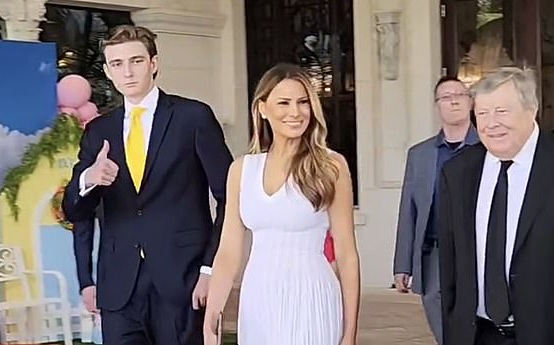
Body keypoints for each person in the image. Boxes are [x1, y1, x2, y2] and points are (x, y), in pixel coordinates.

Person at [62, 25, 233, 345]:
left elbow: (229, 197)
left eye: (136, 61)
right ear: (107, 71)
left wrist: (211, 270)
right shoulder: (98, 131)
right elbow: (75, 210)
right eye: (117, 64)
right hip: (119, 287)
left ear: (153, 63)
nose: (127, 72)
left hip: (183, 281)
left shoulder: (192, 117)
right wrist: (89, 179)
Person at [438, 66, 554, 345]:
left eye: (502, 111)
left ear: (531, 110)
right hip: (477, 336)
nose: (491, 123)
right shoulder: (458, 172)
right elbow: (450, 265)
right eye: (482, 113)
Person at [202, 63, 360, 345]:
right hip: (258, 299)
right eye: (284, 103)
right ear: (262, 108)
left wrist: (349, 334)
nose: (295, 112)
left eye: (303, 103)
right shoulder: (241, 170)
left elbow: (347, 254)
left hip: (313, 297)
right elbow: (228, 252)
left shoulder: (331, 166)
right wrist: (211, 319)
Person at [393, 76, 478, 344]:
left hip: (475, 251)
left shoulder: (488, 148)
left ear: (470, 102)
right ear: (437, 106)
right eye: (445, 97)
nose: (453, 101)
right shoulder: (420, 154)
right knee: (439, 318)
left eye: (460, 95)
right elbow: (409, 210)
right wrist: (402, 264)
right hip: (434, 253)